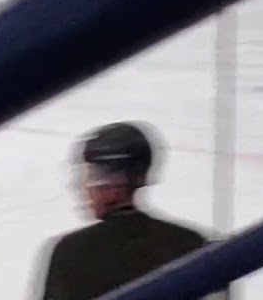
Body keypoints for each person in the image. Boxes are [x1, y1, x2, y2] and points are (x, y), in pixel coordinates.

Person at [33, 122, 225, 300]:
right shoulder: (194, 245)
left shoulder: (71, 252)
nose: (84, 187)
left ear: (115, 181)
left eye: (91, 175)